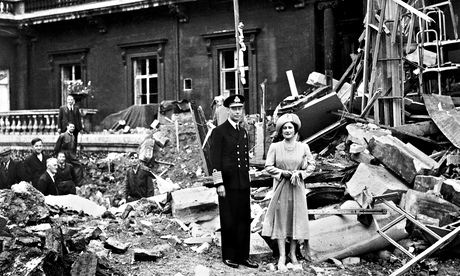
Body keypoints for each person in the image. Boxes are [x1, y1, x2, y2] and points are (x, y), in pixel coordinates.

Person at [261, 113, 315, 271]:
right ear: (280, 131)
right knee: (281, 220)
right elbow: (268, 166)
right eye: (284, 128)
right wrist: (281, 173)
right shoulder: (275, 147)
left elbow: (312, 165)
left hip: (297, 187)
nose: (287, 130)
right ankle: (282, 256)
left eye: (290, 127)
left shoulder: (303, 147)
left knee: (295, 219)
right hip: (281, 187)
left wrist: (300, 173)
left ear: (295, 130)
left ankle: (292, 254)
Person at [209, 94, 258, 269]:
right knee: (229, 220)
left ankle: (243, 255)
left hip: (243, 183)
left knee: (244, 219)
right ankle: (229, 256)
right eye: (234, 109)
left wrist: (249, 181)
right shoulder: (219, 131)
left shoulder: (243, 132)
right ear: (228, 110)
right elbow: (215, 161)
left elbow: (244, 160)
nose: (237, 112)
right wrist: (219, 183)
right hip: (227, 185)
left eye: (240, 108)